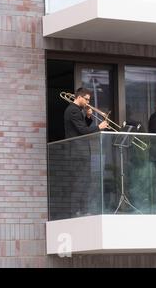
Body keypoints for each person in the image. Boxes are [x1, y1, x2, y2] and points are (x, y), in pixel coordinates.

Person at [62, 88, 108, 218]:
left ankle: (82, 209)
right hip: (77, 153)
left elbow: (82, 127)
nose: (88, 102)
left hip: (81, 152)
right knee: (79, 182)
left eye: (89, 100)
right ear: (79, 97)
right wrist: (99, 127)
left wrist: (88, 117)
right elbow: (82, 131)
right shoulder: (73, 111)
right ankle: (76, 211)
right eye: (86, 99)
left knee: (85, 181)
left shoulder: (77, 111)